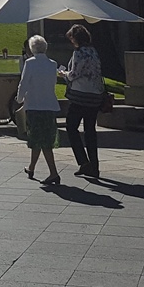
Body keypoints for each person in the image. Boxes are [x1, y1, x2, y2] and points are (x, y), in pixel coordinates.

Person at [59, 23, 104, 179]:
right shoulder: (93, 51)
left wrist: (63, 73)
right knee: (90, 130)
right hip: (95, 95)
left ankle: (84, 162)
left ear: (75, 38)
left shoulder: (79, 53)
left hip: (81, 95)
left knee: (71, 127)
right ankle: (94, 165)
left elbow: (74, 74)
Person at [16, 34, 62, 186]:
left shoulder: (30, 63)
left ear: (31, 48)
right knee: (42, 138)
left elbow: (24, 83)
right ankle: (31, 167)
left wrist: (19, 98)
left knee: (39, 139)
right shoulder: (52, 64)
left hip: (34, 105)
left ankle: (53, 173)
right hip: (49, 105)